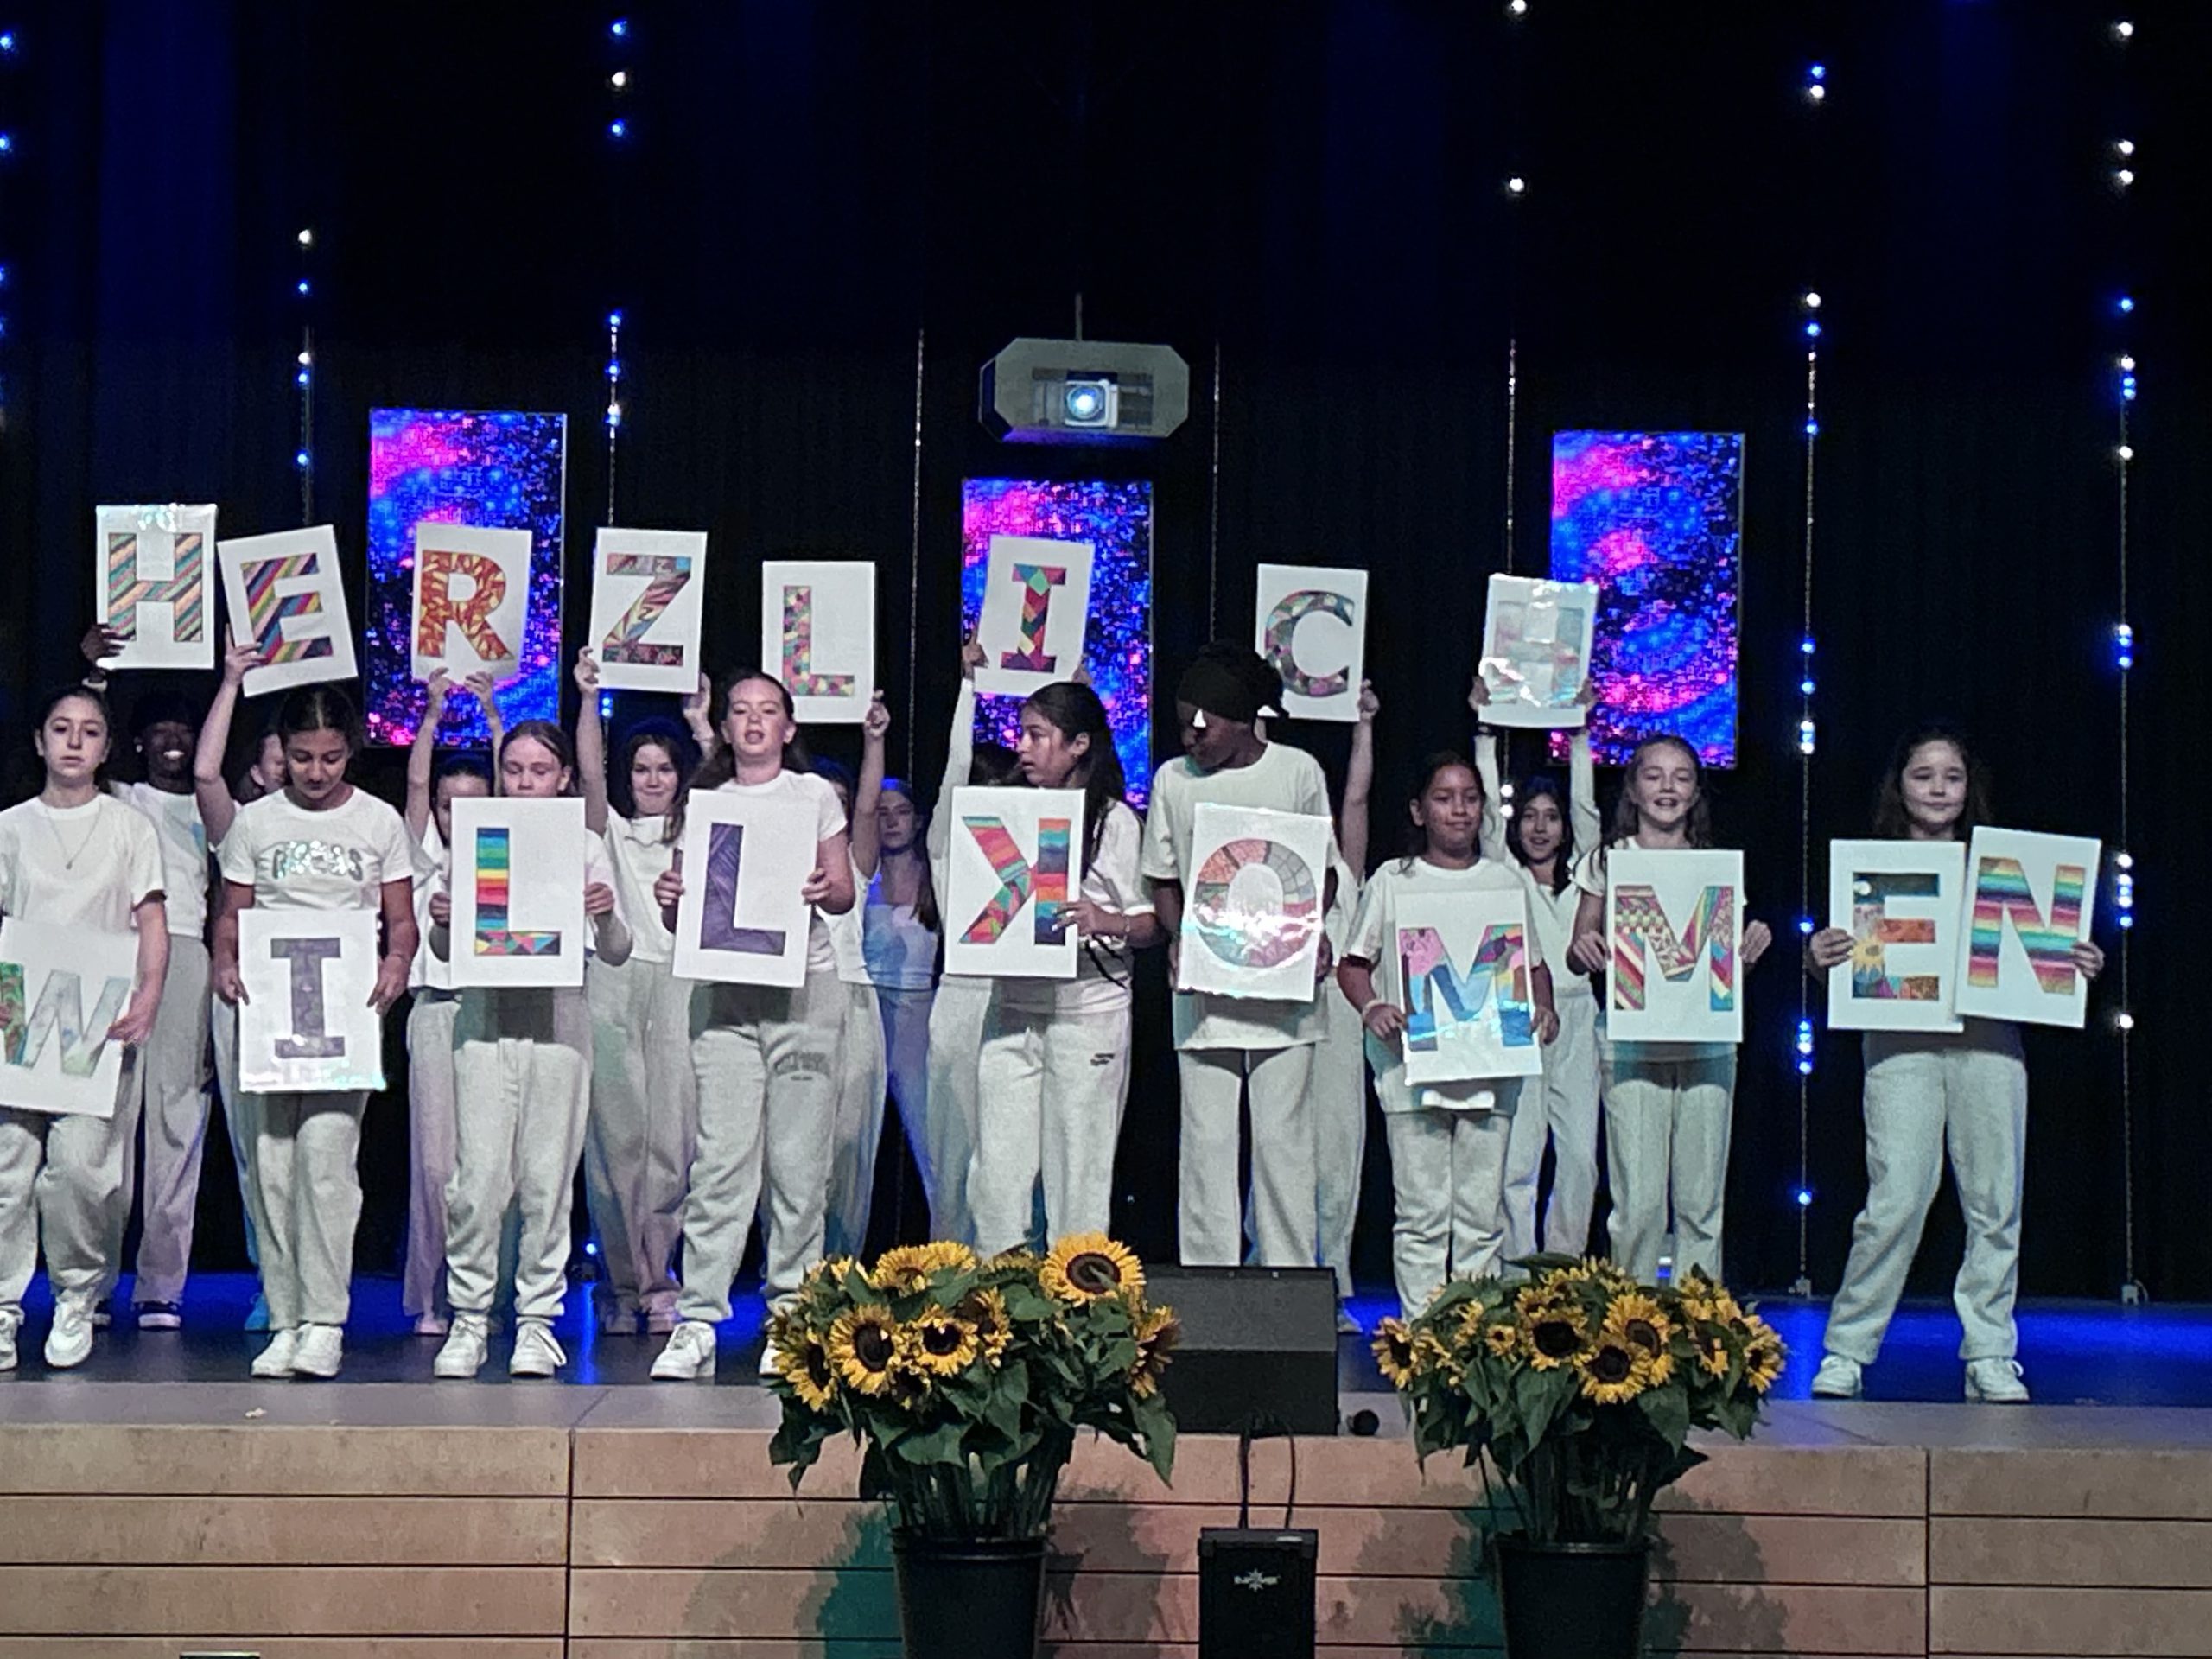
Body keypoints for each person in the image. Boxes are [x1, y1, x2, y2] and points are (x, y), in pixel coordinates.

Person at [1804, 727, 2105, 1404]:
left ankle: (1991, 1352)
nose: (1939, 789)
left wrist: (2073, 961)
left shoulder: (2006, 872)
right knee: (1895, 1200)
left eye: (1952, 776)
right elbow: (1860, 971)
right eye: (1924, 775)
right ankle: (1847, 1350)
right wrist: (1822, 960)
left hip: (1989, 1044)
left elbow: (2036, 957)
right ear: (1900, 785)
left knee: (1995, 1203)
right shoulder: (1873, 869)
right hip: (1899, 1047)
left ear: (1969, 789)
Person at [650, 671, 854, 1381]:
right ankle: (698, 1319)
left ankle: (792, 1316)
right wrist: (669, 897)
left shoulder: (813, 795)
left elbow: (843, 891)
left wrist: (825, 887)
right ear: (726, 726)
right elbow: (682, 915)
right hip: (726, 999)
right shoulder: (705, 802)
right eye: (741, 711)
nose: (754, 721)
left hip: (803, 994)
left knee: (798, 1165)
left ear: (789, 728)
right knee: (719, 1164)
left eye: (769, 711)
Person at [212, 681, 416, 1380]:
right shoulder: (256, 823)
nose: (317, 771)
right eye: (302, 758)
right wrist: (226, 960)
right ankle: (285, 1315)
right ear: (282, 752)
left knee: (326, 1162)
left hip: (343, 1012)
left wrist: (395, 962)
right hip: (271, 1010)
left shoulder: (378, 821)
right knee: (271, 1165)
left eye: (330, 757)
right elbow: (231, 913)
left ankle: (325, 1320)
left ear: (350, 751)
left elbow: (401, 919)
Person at [429, 715, 632, 1380]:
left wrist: (604, 911)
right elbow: (445, 949)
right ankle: (470, 1317)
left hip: (558, 1023)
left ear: (563, 777)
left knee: (546, 1180)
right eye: (513, 770)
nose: (524, 782)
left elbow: (618, 949)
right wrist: (442, 921)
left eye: (539, 771)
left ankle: (537, 1321)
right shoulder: (478, 838)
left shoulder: (583, 845)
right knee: (477, 1181)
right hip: (485, 1020)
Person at [1338, 752, 1560, 1313]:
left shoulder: (1504, 880)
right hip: (1412, 1072)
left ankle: (1473, 1331)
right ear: (1419, 810)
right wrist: (1372, 1007)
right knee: (1422, 1213)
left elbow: (1533, 964)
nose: (1459, 810)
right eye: (1444, 798)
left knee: (1481, 1214)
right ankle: (1422, 1333)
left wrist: (1545, 1009)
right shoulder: (1395, 880)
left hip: (1490, 1072)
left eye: (1470, 798)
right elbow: (1353, 964)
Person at [1142, 641, 1338, 1268]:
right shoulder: (1174, 780)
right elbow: (1163, 877)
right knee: (1206, 1142)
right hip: (1207, 990)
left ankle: (1287, 1276)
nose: (1192, 737)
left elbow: (1321, 868)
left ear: (1244, 718)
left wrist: (1312, 930)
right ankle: (1210, 1279)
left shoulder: (1297, 771)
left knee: (1285, 1143)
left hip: (1283, 990)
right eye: (1184, 725)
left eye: (1205, 725)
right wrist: (1180, 938)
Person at [0, 686, 169, 1371]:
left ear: (106, 748)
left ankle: (77, 1294)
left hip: (98, 1019)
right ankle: (3, 1306)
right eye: (61, 729)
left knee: (80, 1168)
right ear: (40, 741)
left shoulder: (129, 827)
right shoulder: (11, 827)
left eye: (89, 731)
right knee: (9, 1163)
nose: (74, 742)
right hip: (20, 1013)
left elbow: (151, 919)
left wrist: (149, 994)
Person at [1567, 734, 1772, 1284]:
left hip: (1707, 1046)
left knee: (1701, 1200)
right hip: (1631, 1044)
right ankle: (1631, 1314)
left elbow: (1720, 966)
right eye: (1653, 775)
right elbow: (1577, 948)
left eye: (1681, 777)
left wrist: (1749, 951)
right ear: (1633, 789)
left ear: (1696, 792)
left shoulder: (1712, 866)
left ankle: (1697, 1316)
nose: (1667, 787)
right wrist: (1585, 949)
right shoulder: (1608, 860)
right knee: (1638, 1202)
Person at [969, 682, 1160, 1255]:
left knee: (1079, 1170)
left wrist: (1106, 920)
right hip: (1012, 1009)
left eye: (1037, 735)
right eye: (1021, 735)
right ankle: (999, 1288)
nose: (1021, 748)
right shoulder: (1006, 810)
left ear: (1078, 745)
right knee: (997, 1172)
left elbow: (1150, 924)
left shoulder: (1114, 821)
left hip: (1087, 1013)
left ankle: (1076, 1294)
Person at [79, 626, 216, 1331]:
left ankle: (161, 1283)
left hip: (186, 950)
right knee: (107, 1118)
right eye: (159, 730)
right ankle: (94, 1280)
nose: (173, 740)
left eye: (182, 730)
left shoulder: (211, 802)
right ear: (135, 742)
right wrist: (97, 677)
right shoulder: (122, 799)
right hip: (118, 952)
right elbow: (85, 753)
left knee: (176, 1117)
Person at [574, 652, 703, 1336]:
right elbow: (589, 773)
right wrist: (588, 700)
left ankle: (659, 1280)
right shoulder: (613, 832)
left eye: (664, 769)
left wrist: (702, 725)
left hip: (680, 980)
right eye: (642, 769)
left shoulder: (700, 827)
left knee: (672, 1143)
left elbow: (727, 788)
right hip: (616, 978)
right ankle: (621, 1286)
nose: (653, 780)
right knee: (615, 1141)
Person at [1471, 678, 1605, 1262]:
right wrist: (1484, 732)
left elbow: (1588, 810)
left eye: (1551, 817)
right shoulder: (1506, 874)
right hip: (1521, 1017)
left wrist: (1579, 735)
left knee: (1579, 1155)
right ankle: (1517, 1265)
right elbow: (1487, 823)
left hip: (1577, 1016)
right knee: (1519, 1155)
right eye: (1529, 816)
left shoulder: (1587, 876)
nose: (1541, 827)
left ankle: (1564, 1263)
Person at [397, 668, 497, 1337]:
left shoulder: (503, 851)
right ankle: (433, 1293)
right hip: (435, 1009)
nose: (455, 816)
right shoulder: (425, 855)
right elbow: (412, 786)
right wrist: (432, 716)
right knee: (435, 1164)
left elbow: (518, 792)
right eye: (446, 805)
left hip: (492, 1011)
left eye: (471, 804)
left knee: (488, 1165)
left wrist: (493, 718)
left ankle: (488, 1292)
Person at [190, 643, 286, 1329]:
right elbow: (203, 772)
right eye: (282, 760)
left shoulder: (350, 821)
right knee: (255, 1150)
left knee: (312, 1153)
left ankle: (314, 1281)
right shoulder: (242, 826)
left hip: (315, 996)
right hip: (246, 993)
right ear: (258, 769)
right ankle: (272, 1280)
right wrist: (230, 682)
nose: (294, 770)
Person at [918, 638, 1021, 1247]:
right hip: (958, 999)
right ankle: (949, 1265)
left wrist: (1079, 698)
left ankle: (1015, 1267)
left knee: (1008, 1150)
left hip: (1015, 998)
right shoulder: (947, 840)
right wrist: (967, 687)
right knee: (953, 1150)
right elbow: (956, 768)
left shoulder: (1028, 844)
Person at [817, 709, 891, 1259]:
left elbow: (868, 807)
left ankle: (840, 1263)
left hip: (854, 999)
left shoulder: (854, 862)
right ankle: (792, 1266)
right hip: (801, 998)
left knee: (849, 1140)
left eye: (836, 802)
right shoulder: (781, 857)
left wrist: (874, 740)